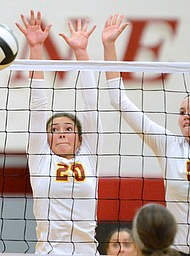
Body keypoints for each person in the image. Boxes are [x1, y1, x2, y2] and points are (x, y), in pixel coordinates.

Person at [102, 13, 190, 255]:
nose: (185, 116)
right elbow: (119, 100)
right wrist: (109, 46)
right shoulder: (170, 146)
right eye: (182, 111)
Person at [16, 10, 102, 254]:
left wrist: (81, 53)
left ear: (81, 138)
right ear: (47, 138)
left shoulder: (90, 154)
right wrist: (35, 49)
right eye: (55, 129)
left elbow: (91, 105)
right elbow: (38, 105)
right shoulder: (40, 158)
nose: (62, 133)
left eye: (68, 129)